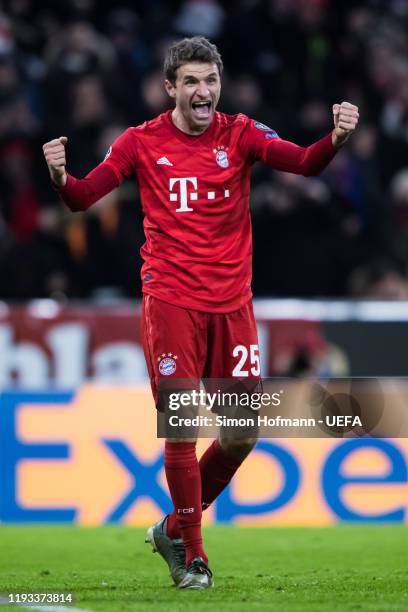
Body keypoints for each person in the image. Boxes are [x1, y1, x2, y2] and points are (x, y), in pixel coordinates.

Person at [43, 36, 359, 589]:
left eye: (210, 80)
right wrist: (61, 179)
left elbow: (305, 163)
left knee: (241, 434)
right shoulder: (140, 142)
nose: (203, 90)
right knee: (183, 428)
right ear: (171, 88)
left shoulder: (240, 133)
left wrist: (334, 139)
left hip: (233, 305)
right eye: (190, 81)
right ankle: (194, 556)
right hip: (171, 301)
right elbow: (83, 197)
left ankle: (173, 525)